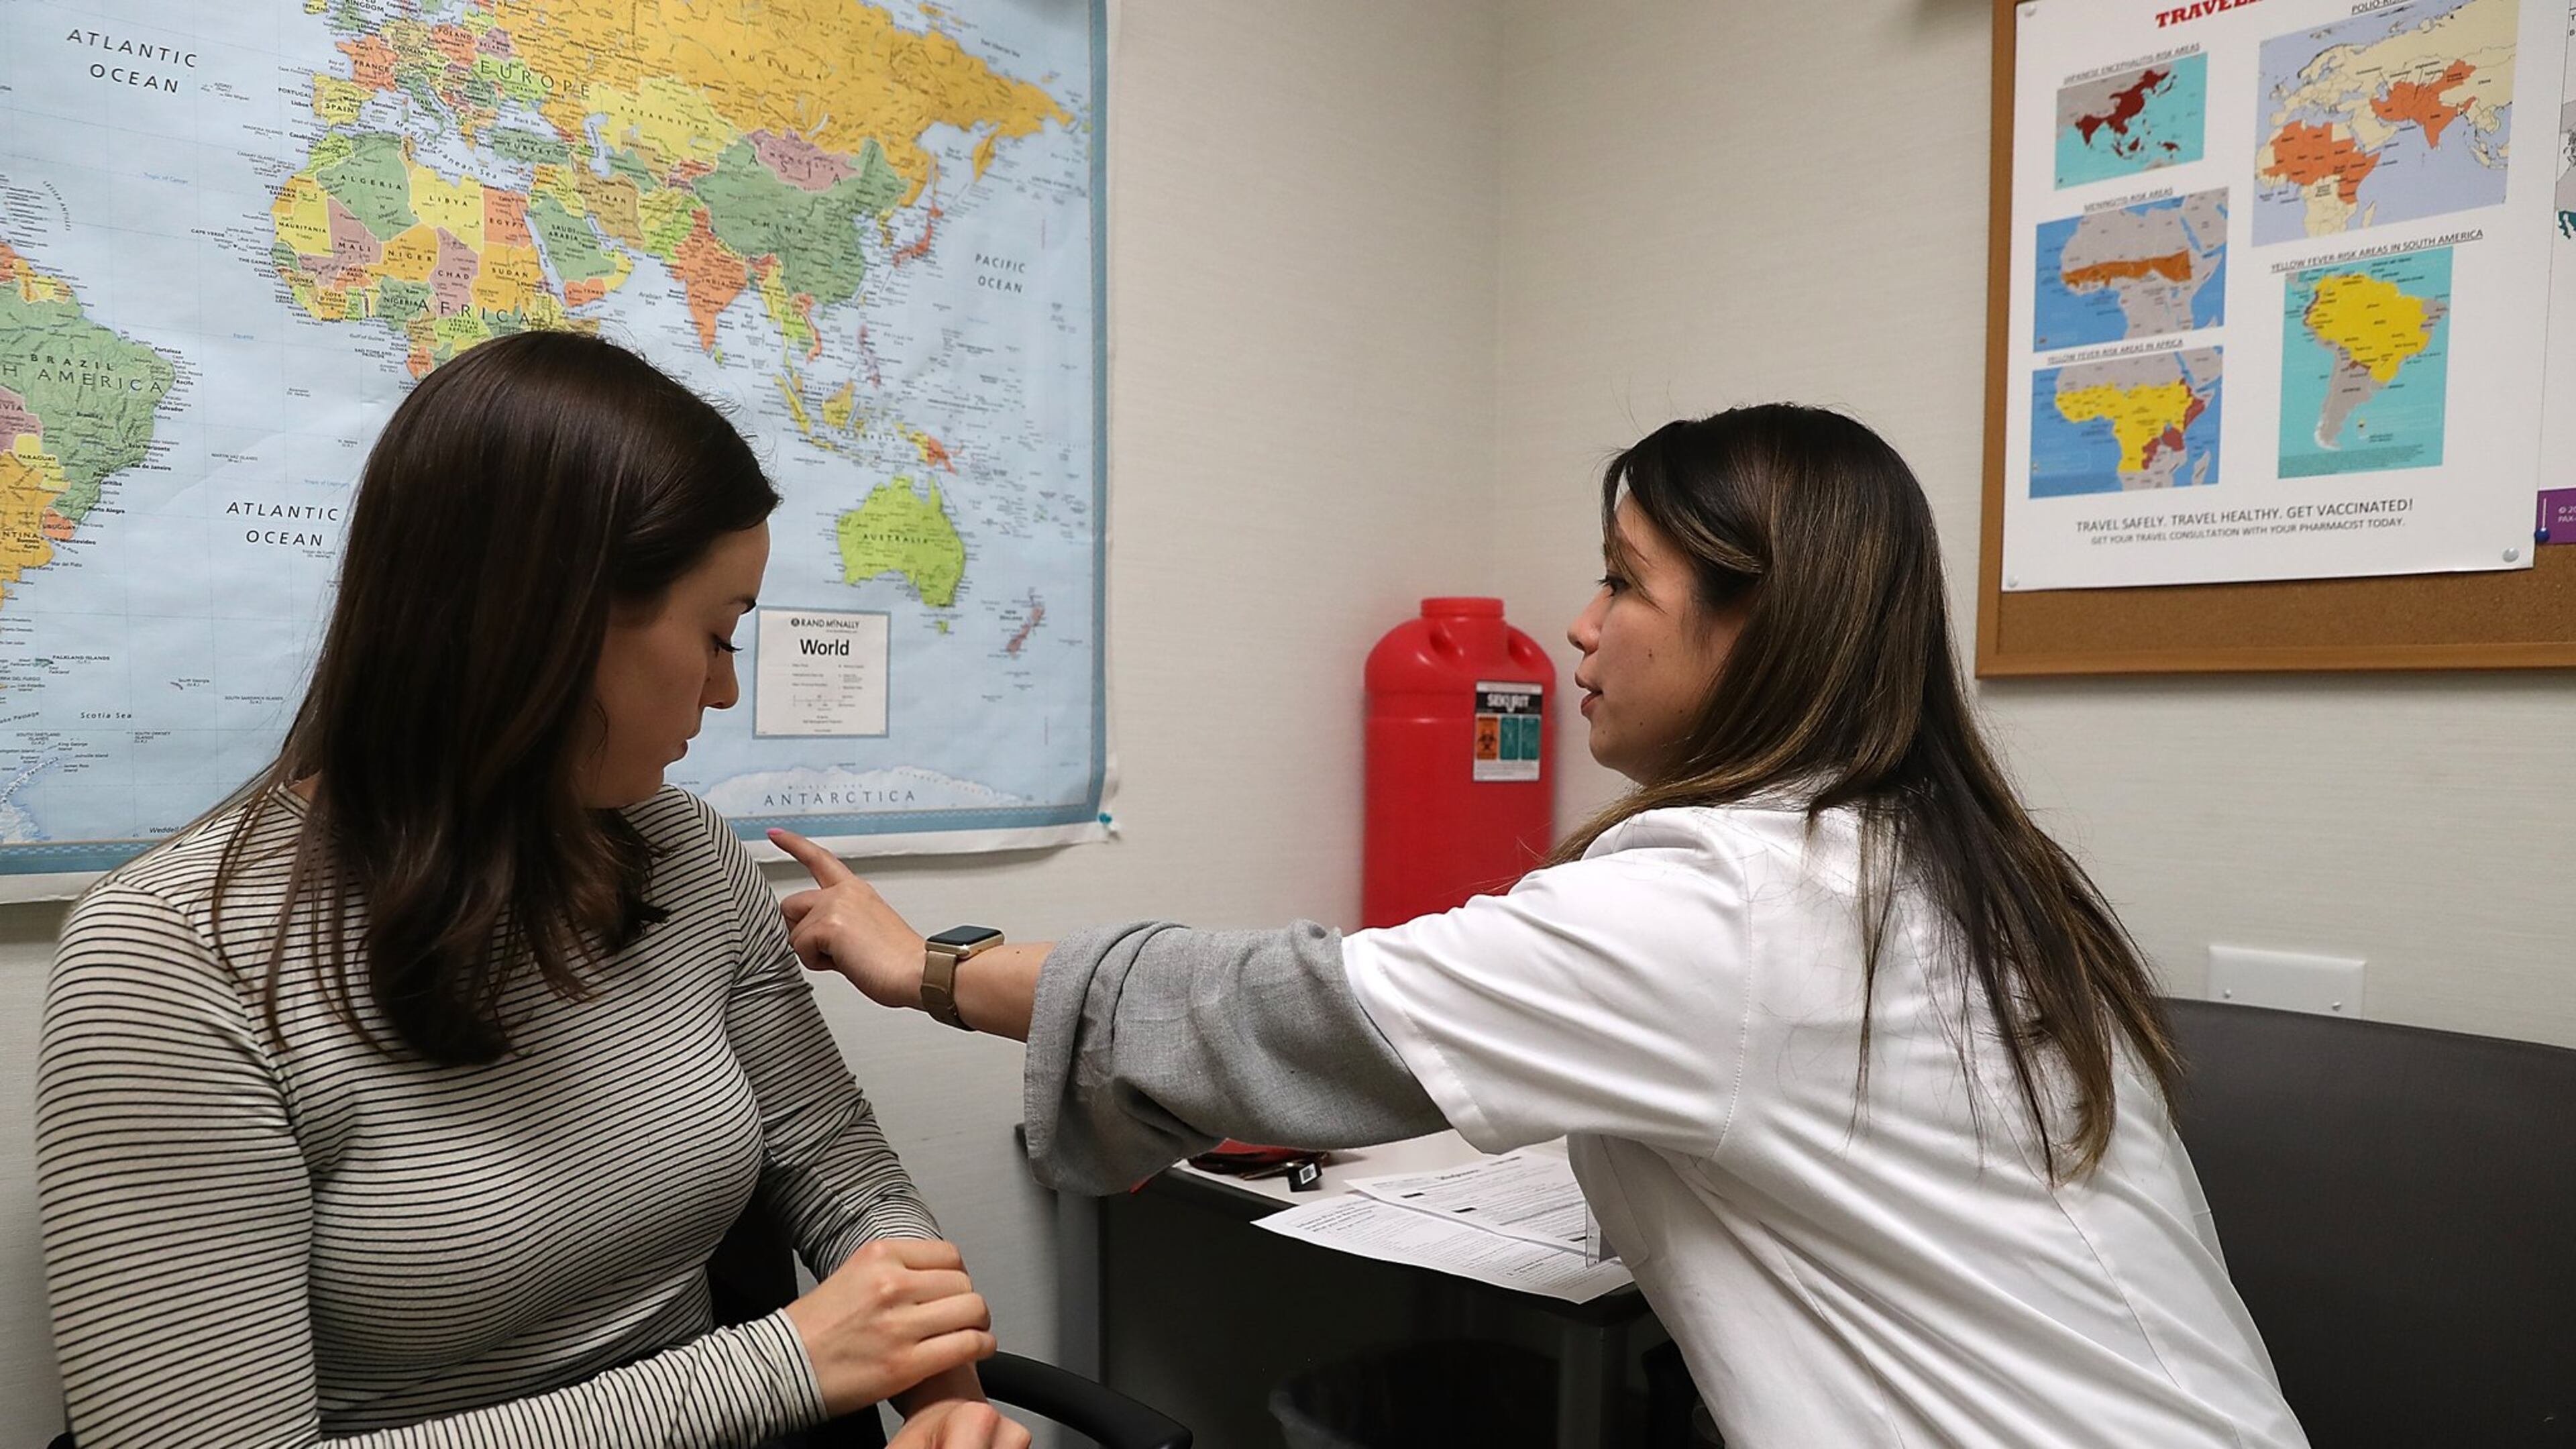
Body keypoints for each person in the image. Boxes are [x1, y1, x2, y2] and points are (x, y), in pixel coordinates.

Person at [770, 405, 2311, 1448]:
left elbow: (1282, 1012)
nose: (1579, 625)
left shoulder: (1729, 900)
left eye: (1621, 581)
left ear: (1754, 626)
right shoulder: (1936, 854)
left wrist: (935, 971)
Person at [36, 333, 1028, 1449]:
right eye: (714, 634)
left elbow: (836, 1163)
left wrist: (941, 1390)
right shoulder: (171, 961)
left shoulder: (687, 852)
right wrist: (784, 1365)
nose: (724, 686)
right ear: (549, 623)